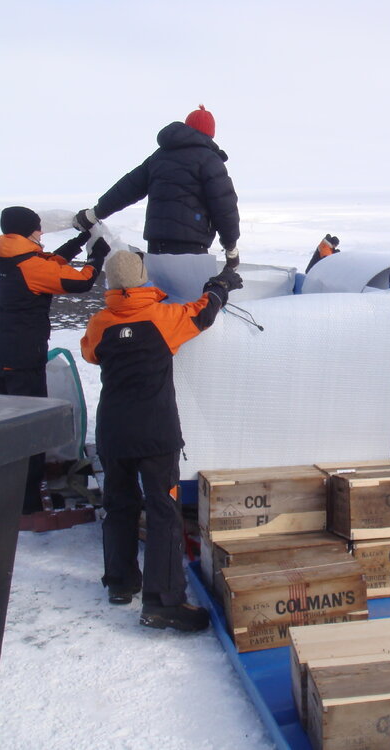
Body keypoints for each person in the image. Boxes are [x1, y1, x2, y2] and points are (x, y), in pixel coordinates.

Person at [81, 249, 243, 631]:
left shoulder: (100, 323)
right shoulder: (162, 318)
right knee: (163, 511)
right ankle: (163, 602)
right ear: (143, 278)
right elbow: (203, 313)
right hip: (155, 433)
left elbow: (90, 354)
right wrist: (219, 286)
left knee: (118, 505)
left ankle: (120, 583)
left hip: (113, 430)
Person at [0, 206, 109, 516]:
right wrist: (97, 256)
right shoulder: (29, 265)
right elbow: (80, 281)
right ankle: (27, 505)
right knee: (30, 431)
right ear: (28, 231)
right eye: (38, 228)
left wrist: (79, 241)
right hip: (21, 359)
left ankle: (0, 496)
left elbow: (48, 263)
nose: (41, 232)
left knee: (0, 429)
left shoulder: (7, 253)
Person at [73, 104, 241, 269]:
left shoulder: (159, 157)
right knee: (190, 288)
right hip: (191, 245)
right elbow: (224, 207)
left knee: (160, 287)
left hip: (156, 242)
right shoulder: (210, 160)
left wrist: (94, 213)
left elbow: (127, 188)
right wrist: (231, 246)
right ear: (210, 134)